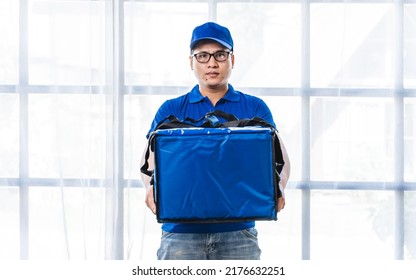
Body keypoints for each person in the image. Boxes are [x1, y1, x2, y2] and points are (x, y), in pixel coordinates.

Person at [140, 22, 290, 260]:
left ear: (232, 59)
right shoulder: (171, 109)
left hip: (239, 232)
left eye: (220, 54)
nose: (212, 63)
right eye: (202, 56)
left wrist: (279, 186)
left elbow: (279, 156)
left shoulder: (254, 107)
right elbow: (151, 160)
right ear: (191, 62)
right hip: (180, 233)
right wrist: (149, 188)